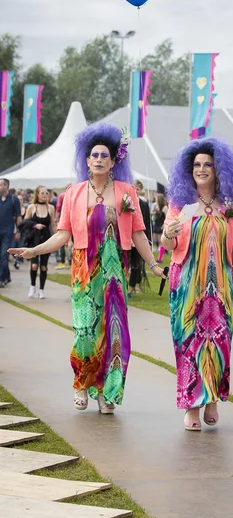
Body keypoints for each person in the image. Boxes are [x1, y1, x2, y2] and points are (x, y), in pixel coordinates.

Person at [9, 122, 165, 414]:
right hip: (83, 272)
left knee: (113, 332)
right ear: (86, 159)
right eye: (94, 155)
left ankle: (107, 391)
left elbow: (138, 234)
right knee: (85, 330)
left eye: (105, 155)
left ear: (114, 159)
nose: (99, 159)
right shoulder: (74, 193)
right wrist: (35, 250)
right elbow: (63, 234)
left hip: (114, 273)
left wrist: (154, 264)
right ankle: (82, 383)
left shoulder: (125, 191)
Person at [162, 138, 233, 431]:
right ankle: (192, 405)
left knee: (219, 342)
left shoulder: (230, 206)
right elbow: (166, 244)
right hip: (186, 284)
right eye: (196, 164)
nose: (201, 169)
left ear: (218, 169)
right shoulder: (179, 204)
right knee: (189, 343)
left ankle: (211, 400)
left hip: (220, 284)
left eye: (207, 164)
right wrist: (168, 234)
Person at [22, 186, 56, 299]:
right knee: (34, 265)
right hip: (34, 238)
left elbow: (53, 225)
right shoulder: (32, 207)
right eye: (42, 193)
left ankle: (42, 289)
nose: (44, 195)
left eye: (46, 193)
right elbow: (25, 222)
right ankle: (32, 286)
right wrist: (34, 225)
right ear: (37, 194)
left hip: (46, 238)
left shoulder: (50, 208)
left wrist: (57, 238)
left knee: (43, 267)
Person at [128, 180, 152, 297]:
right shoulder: (126, 202)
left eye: (137, 188)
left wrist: (149, 240)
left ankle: (132, 287)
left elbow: (147, 222)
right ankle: (129, 285)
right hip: (128, 239)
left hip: (139, 237)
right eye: (134, 188)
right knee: (127, 263)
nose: (135, 191)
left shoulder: (143, 203)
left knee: (137, 264)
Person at [0, 178, 21, 287]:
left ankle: (1, 279)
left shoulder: (13, 199)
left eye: (0, 185)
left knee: (4, 255)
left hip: (7, 232)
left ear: (6, 186)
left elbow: (18, 216)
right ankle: (7, 276)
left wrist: (18, 231)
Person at [151, 193, 168, 260]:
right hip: (157, 225)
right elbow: (153, 212)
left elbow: (167, 217)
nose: (156, 199)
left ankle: (160, 258)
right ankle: (162, 254)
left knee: (161, 242)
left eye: (157, 198)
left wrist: (164, 225)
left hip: (162, 226)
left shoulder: (165, 207)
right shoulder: (157, 206)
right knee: (158, 240)